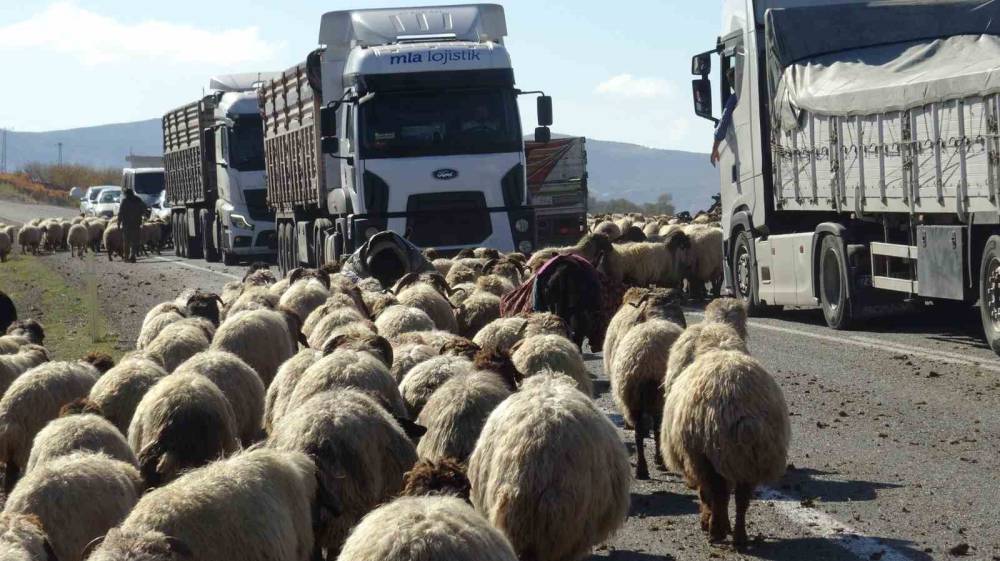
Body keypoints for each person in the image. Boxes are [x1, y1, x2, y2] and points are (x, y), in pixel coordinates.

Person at [711, 67, 739, 167]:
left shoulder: (734, 99)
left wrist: (714, 149)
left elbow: (723, 123)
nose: (731, 85)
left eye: (732, 81)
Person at [117, 188, 147, 263]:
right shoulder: (138, 200)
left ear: (126, 194)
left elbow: (121, 212)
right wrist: (142, 215)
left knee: (126, 241)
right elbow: (144, 209)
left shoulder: (125, 201)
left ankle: (126, 257)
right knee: (135, 241)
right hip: (136, 224)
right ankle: (132, 255)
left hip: (127, 224)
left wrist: (118, 222)